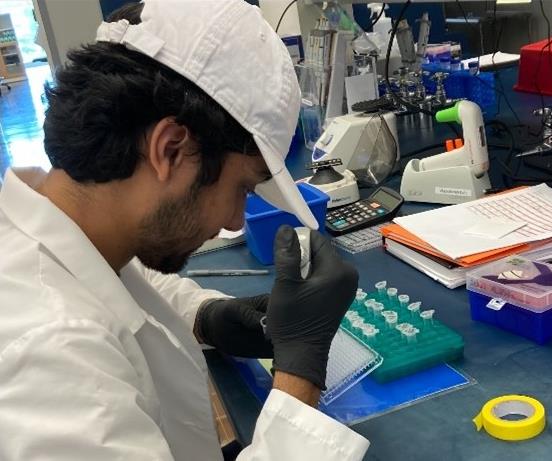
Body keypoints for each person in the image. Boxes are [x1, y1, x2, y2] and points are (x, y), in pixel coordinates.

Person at [0, 1, 369, 460]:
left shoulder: (64, 228)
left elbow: (126, 282)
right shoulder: (53, 354)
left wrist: (207, 315)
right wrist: (300, 374)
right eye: (242, 187)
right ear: (171, 149)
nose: (235, 220)